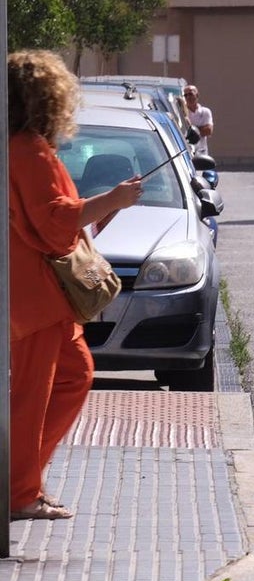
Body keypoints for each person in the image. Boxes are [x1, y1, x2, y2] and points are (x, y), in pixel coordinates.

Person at [8, 50, 144, 520]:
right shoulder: (27, 148)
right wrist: (113, 199)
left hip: (36, 293)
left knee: (72, 374)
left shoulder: (20, 146)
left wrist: (102, 209)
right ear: (46, 98)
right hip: (36, 294)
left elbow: (49, 218)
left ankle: (22, 482)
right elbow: (53, 220)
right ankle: (19, 492)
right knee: (38, 391)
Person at [183, 84, 213, 156]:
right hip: (187, 151)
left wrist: (192, 130)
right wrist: (200, 129)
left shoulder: (205, 111)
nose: (188, 97)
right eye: (186, 95)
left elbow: (208, 130)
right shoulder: (182, 113)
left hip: (202, 151)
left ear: (197, 95)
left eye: (190, 94)